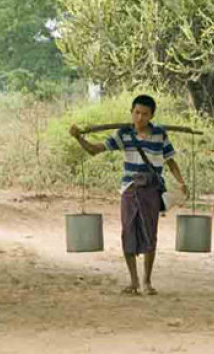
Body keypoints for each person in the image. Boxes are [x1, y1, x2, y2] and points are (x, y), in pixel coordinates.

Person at [69, 94, 189, 296]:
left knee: (150, 234)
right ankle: (133, 282)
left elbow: (170, 160)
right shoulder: (123, 135)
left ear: (152, 115)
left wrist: (181, 181)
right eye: (137, 113)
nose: (140, 118)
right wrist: (79, 137)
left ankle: (147, 281)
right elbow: (94, 150)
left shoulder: (160, 134)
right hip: (129, 190)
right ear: (131, 112)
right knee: (128, 233)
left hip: (151, 190)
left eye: (145, 114)